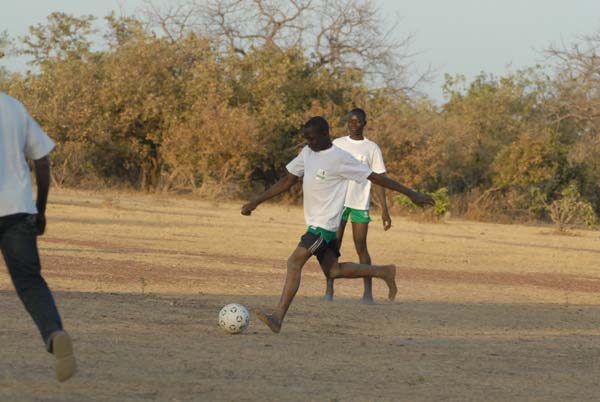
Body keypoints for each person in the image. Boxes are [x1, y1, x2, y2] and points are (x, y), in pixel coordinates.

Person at [241, 116, 434, 333]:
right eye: (306, 138)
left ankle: (277, 318)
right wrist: (256, 201)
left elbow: (377, 178)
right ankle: (383, 271)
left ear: (325, 134)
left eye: (312, 138)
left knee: (294, 262)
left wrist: (411, 194)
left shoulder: (341, 158)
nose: (309, 143)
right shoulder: (307, 152)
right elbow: (287, 179)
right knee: (333, 271)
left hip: (323, 227)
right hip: (320, 227)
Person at [0, 92, 76, 382]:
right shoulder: (14, 107)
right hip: (19, 210)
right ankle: (54, 333)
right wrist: (40, 210)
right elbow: (42, 163)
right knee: (31, 283)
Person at [325, 108, 390, 303]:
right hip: (339, 203)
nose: (354, 124)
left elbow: (380, 180)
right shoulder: (337, 144)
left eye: (358, 121)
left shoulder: (372, 148)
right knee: (333, 245)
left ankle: (368, 292)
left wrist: (385, 210)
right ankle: (329, 290)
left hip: (360, 204)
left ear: (364, 123)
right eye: (351, 121)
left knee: (361, 246)